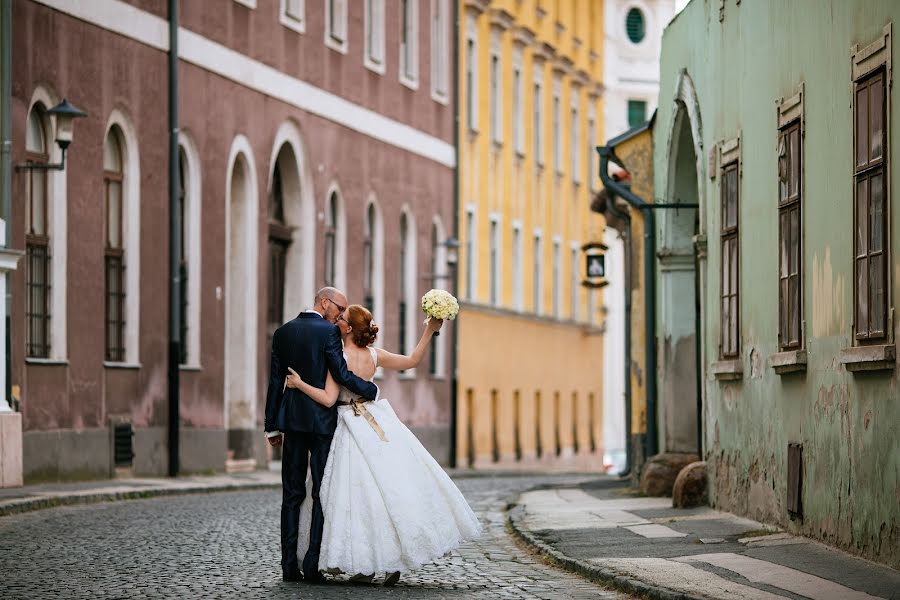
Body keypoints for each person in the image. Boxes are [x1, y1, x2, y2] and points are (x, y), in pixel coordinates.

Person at [287, 305, 481, 586]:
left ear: (349, 328)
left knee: (350, 497)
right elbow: (413, 360)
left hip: (347, 424)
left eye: (341, 320)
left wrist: (299, 383)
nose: (336, 322)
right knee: (387, 490)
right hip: (376, 421)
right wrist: (430, 328)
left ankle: (364, 564)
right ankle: (389, 560)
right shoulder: (375, 355)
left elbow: (329, 399)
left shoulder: (336, 357)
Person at [264, 288, 378, 584]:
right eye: (338, 308)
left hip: (291, 421)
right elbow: (340, 374)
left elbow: (276, 380)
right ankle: (312, 565)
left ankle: (289, 566)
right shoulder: (328, 333)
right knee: (320, 494)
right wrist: (370, 390)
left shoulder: (283, 332)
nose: (340, 315)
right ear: (323, 302)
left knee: (291, 494)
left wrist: (271, 425)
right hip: (322, 425)